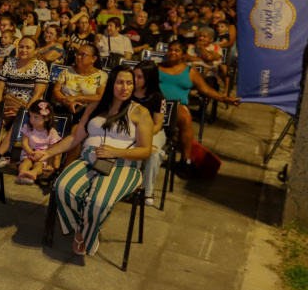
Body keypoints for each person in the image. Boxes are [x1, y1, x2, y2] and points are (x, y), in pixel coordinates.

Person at [37, 65, 154, 255]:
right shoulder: (95, 107)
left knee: (99, 201)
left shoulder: (140, 113)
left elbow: (146, 151)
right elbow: (75, 138)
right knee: (62, 186)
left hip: (124, 165)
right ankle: (86, 225)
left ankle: (85, 234)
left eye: (129, 83)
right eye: (119, 82)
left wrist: (115, 152)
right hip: (89, 159)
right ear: (111, 84)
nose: (124, 88)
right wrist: (47, 153)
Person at [158, 41, 240, 175]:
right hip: (155, 104)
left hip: (175, 107)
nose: (172, 53)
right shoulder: (157, 67)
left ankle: (185, 161)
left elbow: (206, 90)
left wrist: (225, 99)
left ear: (183, 54)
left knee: (185, 116)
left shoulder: (190, 71)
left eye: (176, 50)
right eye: (170, 50)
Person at [0, 36, 50, 158]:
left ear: (35, 50)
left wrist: (24, 112)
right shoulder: (9, 62)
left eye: (28, 47)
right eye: (21, 47)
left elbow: (38, 94)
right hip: (9, 104)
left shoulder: (41, 66)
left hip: (30, 108)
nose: (23, 50)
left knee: (18, 122)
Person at [132, 61, 167, 206]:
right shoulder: (126, 91)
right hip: (128, 129)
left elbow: (158, 125)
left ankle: (147, 191)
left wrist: (142, 135)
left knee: (153, 153)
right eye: (134, 75)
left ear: (149, 79)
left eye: (139, 77)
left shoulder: (159, 97)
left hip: (152, 131)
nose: (135, 80)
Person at [51, 44, 107, 116]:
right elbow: (55, 91)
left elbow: (99, 96)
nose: (78, 57)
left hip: (88, 112)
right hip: (63, 109)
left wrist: (76, 98)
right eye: (77, 54)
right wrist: (68, 103)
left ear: (94, 59)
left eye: (83, 55)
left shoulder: (101, 75)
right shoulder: (66, 72)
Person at [15, 100, 61, 185]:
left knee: (39, 165)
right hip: (28, 154)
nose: (32, 120)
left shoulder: (51, 132)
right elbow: (24, 143)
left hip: (42, 157)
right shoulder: (28, 127)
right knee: (26, 162)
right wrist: (31, 153)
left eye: (36, 117)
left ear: (46, 118)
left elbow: (52, 150)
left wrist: (50, 164)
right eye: (30, 116)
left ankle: (33, 174)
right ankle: (22, 173)